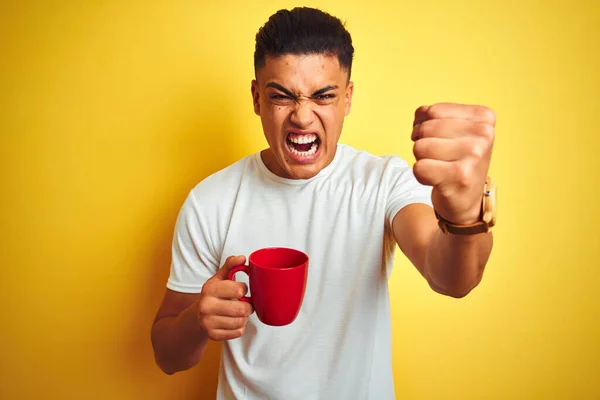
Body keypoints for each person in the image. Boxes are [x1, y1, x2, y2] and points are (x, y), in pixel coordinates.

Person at [151, 6, 496, 400]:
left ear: (346, 98)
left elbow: (451, 278)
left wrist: (465, 216)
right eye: (281, 96)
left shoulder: (382, 182)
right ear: (256, 97)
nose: (301, 116)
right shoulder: (210, 200)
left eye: (323, 96)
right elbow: (166, 355)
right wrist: (198, 320)